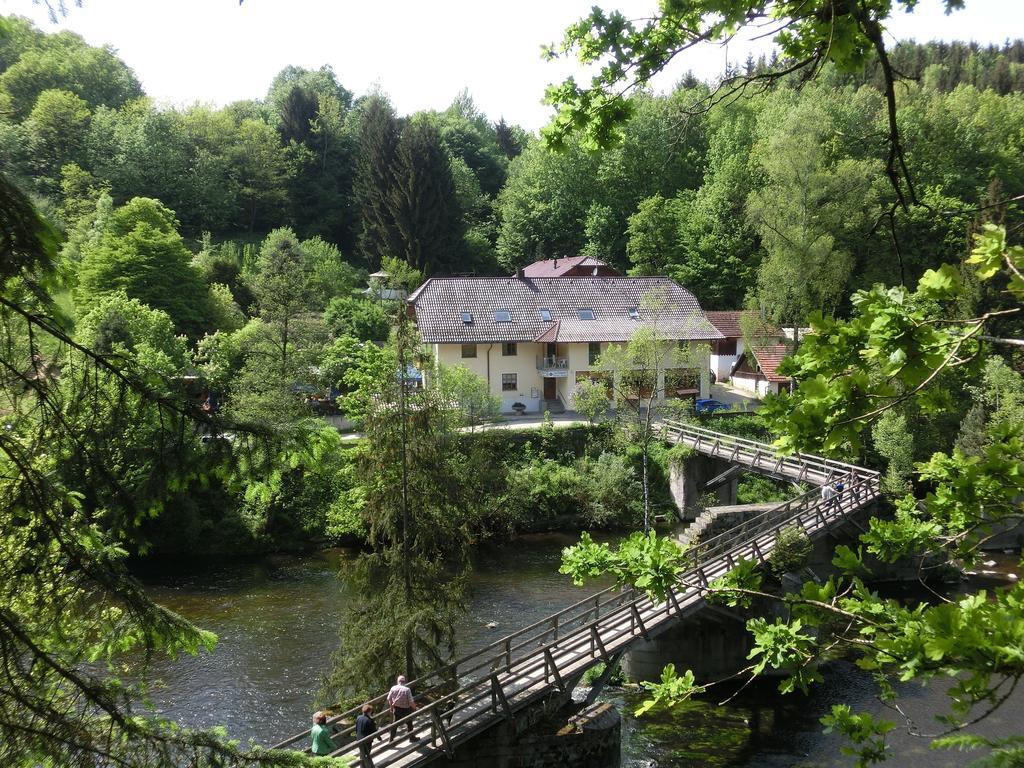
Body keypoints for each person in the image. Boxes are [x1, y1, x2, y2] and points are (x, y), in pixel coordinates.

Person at [386, 674, 418, 742]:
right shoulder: (407, 689)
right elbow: (411, 702)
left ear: (398, 681)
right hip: (406, 709)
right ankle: (411, 738)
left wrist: (391, 707)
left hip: (396, 709)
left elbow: (389, 699)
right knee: (409, 724)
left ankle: (391, 739)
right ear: (404, 681)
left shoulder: (393, 688)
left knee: (395, 725)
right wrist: (415, 708)